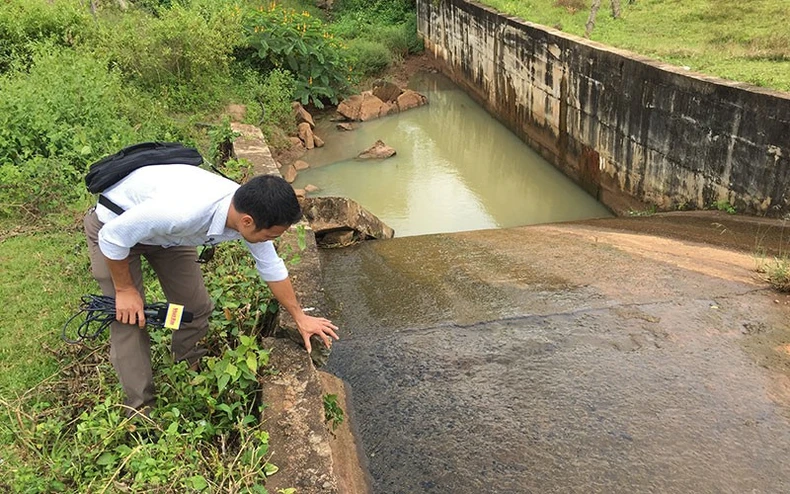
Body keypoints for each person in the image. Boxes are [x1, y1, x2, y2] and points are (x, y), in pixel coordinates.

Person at [83, 163, 339, 414]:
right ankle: (141, 409)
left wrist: (299, 316)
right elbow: (113, 237)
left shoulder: (247, 211)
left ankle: (186, 370)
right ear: (248, 222)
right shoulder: (181, 213)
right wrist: (126, 291)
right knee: (129, 318)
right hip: (115, 228)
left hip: (168, 237)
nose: (271, 241)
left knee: (194, 308)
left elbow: (271, 267)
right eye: (271, 236)